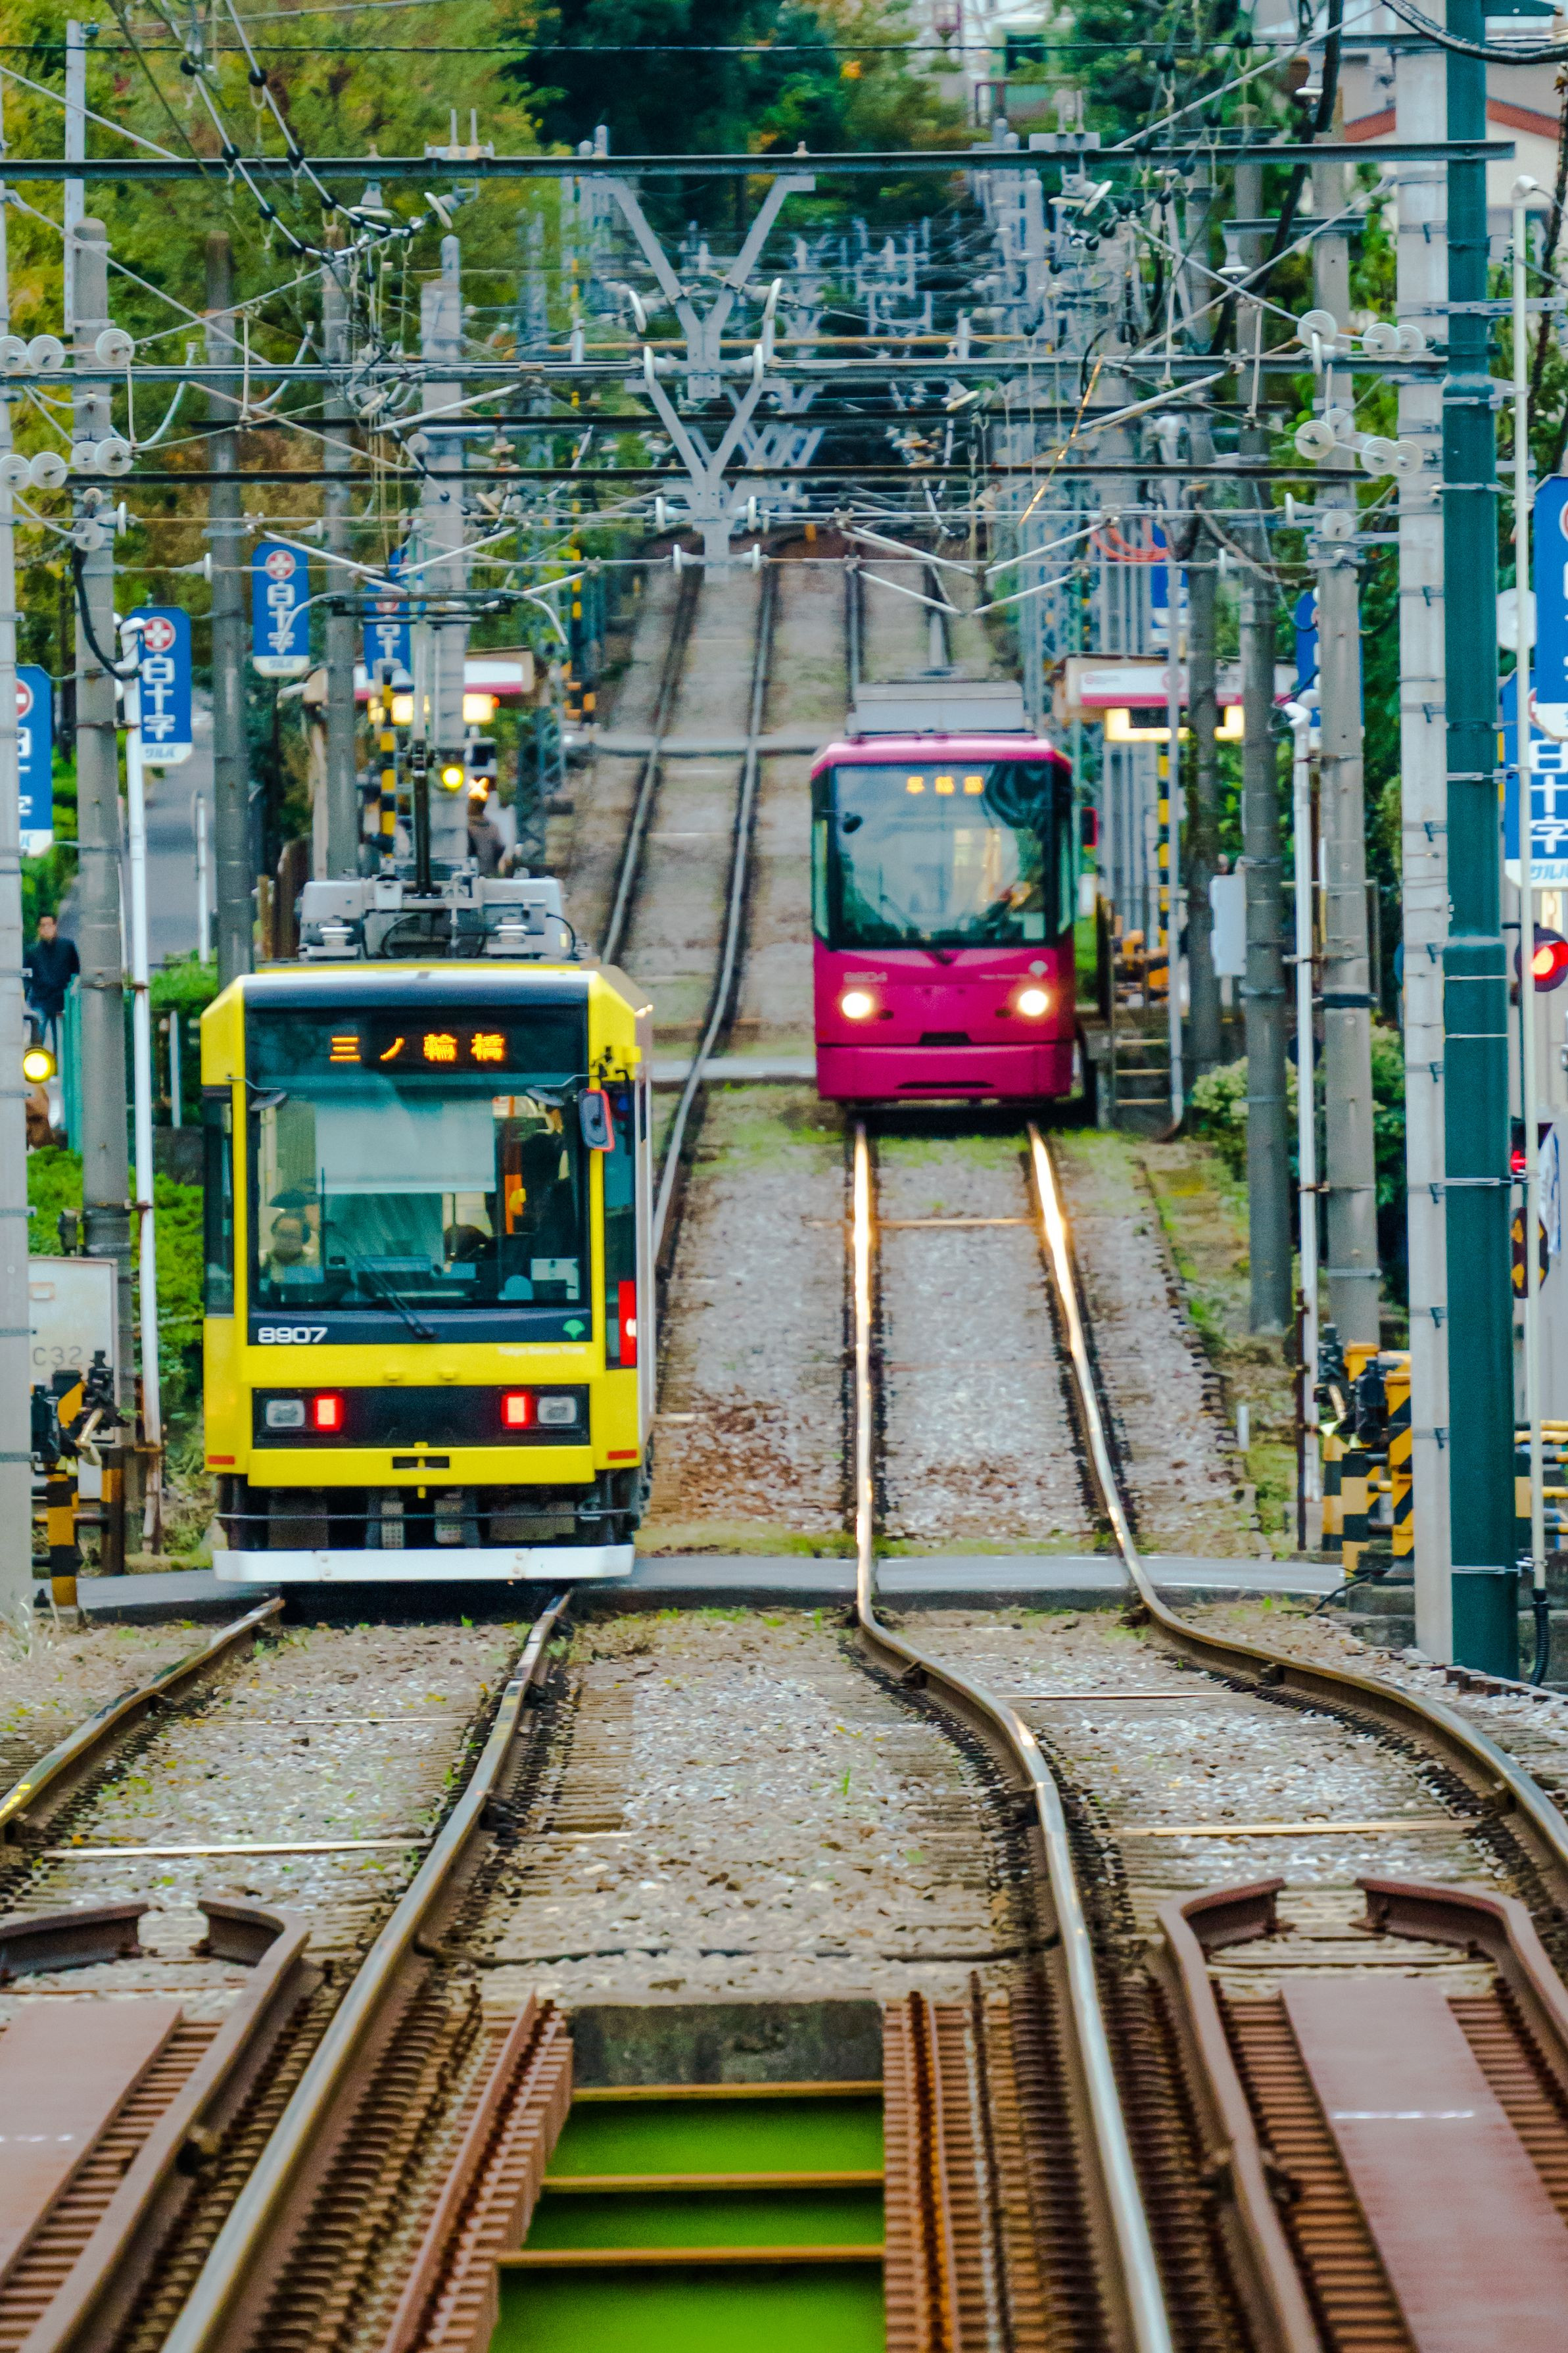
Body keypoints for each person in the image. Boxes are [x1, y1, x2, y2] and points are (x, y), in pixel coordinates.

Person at [23, 914, 80, 1055]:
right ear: (39, 929)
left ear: (55, 926)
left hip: (61, 1000)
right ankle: (37, 1064)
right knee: (38, 1039)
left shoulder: (67, 947)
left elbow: (76, 971)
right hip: (40, 1000)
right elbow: (27, 978)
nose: (46, 929)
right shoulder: (32, 951)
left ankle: (58, 1065)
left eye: (49, 925)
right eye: (43, 926)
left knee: (61, 1040)